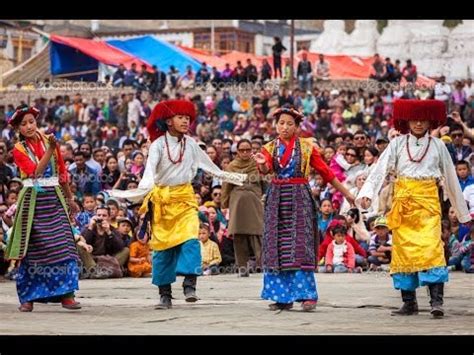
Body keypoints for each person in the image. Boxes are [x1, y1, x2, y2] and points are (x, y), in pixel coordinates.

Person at [111, 100, 246, 309]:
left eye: (188, 118)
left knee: (192, 239)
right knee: (163, 249)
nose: (186, 121)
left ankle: (190, 284)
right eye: (181, 117)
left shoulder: (190, 144)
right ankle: (164, 294)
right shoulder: (157, 145)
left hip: (184, 198)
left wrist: (239, 177)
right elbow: (148, 175)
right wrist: (136, 193)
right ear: (168, 121)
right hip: (163, 201)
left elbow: (211, 168)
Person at [357, 99, 471, 318]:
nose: (418, 124)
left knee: (432, 250)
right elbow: (379, 170)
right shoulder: (397, 144)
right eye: (414, 119)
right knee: (404, 253)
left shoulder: (438, 146)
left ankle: (436, 302)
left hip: (428, 206)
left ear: (430, 121)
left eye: (423, 119)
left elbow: (450, 178)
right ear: (406, 121)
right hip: (404, 207)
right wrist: (366, 195)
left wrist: (462, 212)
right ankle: (409, 302)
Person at [253, 105, 355, 312]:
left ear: (298, 127)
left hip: (300, 197)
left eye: (290, 124)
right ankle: (282, 297)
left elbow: (326, 173)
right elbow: (265, 170)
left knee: (301, 244)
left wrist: (347, 194)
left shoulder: (307, 148)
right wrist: (263, 164)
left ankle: (307, 295)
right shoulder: (269, 148)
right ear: (275, 125)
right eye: (281, 123)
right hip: (277, 199)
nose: (285, 127)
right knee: (277, 245)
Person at [5, 105, 81, 312]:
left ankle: (67, 294)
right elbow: (35, 173)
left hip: (54, 201)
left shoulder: (50, 140)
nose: (29, 126)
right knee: (33, 251)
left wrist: (70, 199)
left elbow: (62, 173)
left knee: (65, 245)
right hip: (32, 204)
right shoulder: (19, 149)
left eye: (31, 122)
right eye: (24, 124)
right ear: (18, 129)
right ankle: (28, 297)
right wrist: (50, 149)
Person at [221, 139, 264, 277]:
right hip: (237, 203)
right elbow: (226, 187)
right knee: (239, 235)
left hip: (255, 201)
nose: (245, 153)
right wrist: (224, 205)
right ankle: (242, 267)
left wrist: (265, 196)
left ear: (252, 150)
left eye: (248, 150)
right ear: (237, 152)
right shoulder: (232, 166)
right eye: (242, 150)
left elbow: (265, 182)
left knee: (257, 234)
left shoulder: (258, 164)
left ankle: (263, 265)